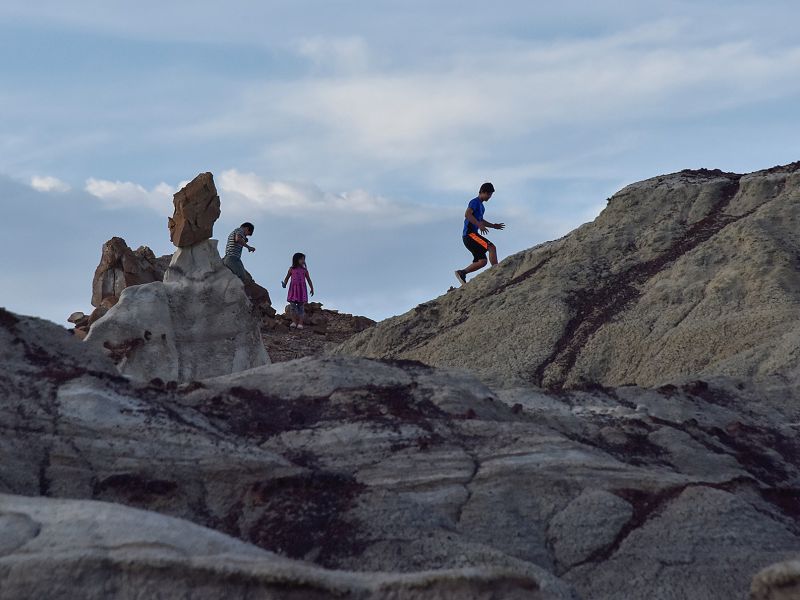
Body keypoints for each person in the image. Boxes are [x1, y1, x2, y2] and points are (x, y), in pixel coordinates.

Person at [455, 182, 505, 285]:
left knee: (482, 261)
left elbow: (481, 220)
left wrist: (493, 226)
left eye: (490, 195)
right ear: (482, 192)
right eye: (488, 194)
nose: (489, 197)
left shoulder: (482, 207)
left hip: (470, 237)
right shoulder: (475, 202)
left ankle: (462, 273)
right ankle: (497, 271)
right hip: (470, 235)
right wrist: (478, 225)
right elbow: (467, 214)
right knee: (491, 247)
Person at [281, 252, 314, 329]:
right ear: (296, 260)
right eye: (301, 259)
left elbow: (309, 280)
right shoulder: (291, 269)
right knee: (292, 306)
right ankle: (294, 322)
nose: (303, 261)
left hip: (301, 290)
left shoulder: (304, 270)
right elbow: (287, 278)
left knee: (301, 307)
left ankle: (300, 323)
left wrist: (312, 288)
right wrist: (284, 284)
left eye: (304, 259)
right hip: (293, 290)